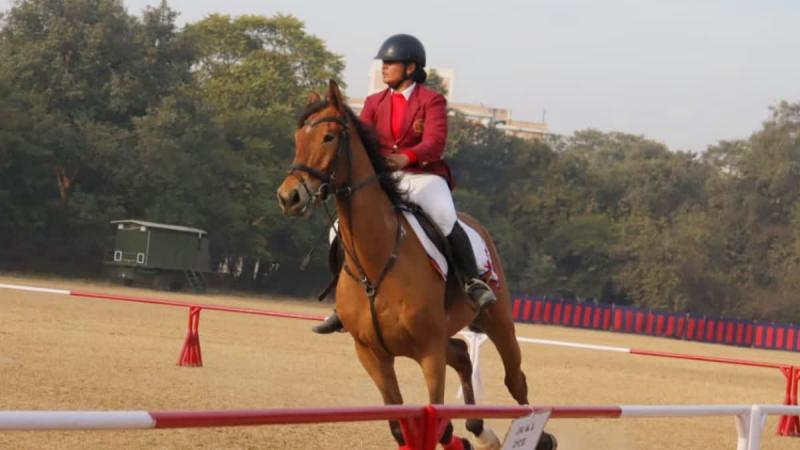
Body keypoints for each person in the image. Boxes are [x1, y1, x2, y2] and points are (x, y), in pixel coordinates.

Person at [313, 34, 495, 334]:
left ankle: (471, 282)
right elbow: (364, 142)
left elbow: (435, 142)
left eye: (391, 63)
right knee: (337, 230)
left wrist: (406, 157)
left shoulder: (431, 100)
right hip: (385, 177)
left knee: (444, 216)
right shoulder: (374, 102)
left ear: (410, 68)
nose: (384, 67)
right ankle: (343, 302)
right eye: (383, 63)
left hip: (424, 176)